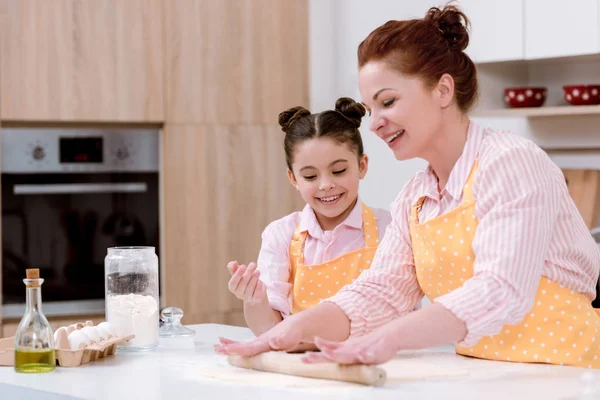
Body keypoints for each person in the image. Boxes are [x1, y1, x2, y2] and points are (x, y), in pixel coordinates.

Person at [215, 4, 600, 369]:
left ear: (443, 91)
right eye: (371, 109)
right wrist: (286, 333)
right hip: (486, 374)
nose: (376, 122)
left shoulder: (511, 164)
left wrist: (390, 339)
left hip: (572, 373)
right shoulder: (415, 199)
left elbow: (501, 290)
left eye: (388, 101)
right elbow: (380, 292)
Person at [225, 97, 392, 338]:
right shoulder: (281, 234)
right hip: (306, 365)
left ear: (362, 165)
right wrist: (254, 299)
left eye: (339, 171)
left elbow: (399, 311)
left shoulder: (389, 228)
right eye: (310, 176)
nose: (326, 185)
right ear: (293, 178)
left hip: (380, 363)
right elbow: (269, 330)